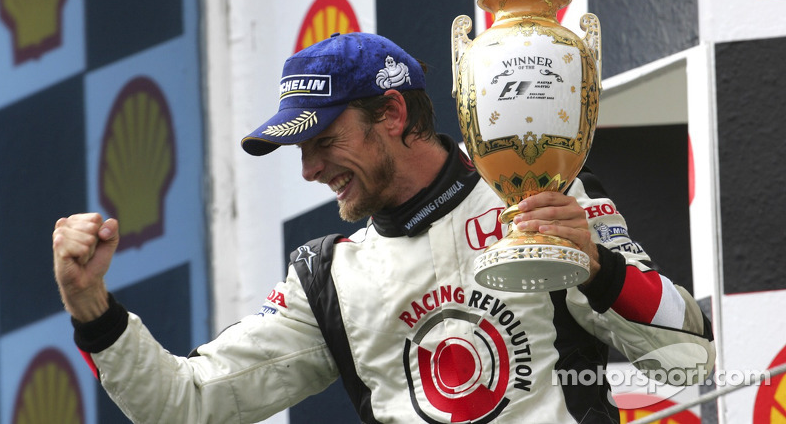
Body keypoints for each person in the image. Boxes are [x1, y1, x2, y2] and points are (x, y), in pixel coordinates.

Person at [53, 32, 715, 423]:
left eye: (323, 140)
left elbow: (691, 358)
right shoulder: (326, 277)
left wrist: (602, 268)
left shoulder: (539, 193)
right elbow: (182, 403)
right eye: (300, 149)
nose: (310, 169)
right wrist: (92, 307)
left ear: (392, 112)